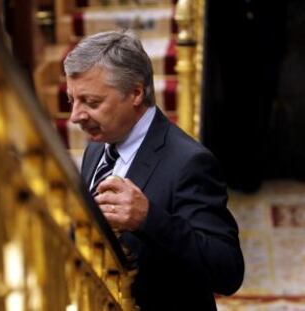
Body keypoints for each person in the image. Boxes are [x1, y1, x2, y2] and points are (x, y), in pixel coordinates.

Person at [64, 30, 244, 311]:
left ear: (136, 93)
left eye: (92, 102)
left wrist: (149, 218)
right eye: (71, 101)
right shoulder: (97, 148)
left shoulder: (190, 163)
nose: (75, 116)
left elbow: (228, 271)